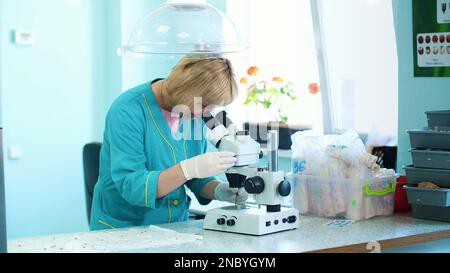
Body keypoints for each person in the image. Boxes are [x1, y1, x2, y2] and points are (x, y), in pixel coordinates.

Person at [90, 55, 248, 230]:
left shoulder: (192, 113)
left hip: (175, 227)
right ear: (186, 87)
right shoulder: (127, 110)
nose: (205, 114)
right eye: (204, 106)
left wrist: (220, 190)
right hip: (124, 227)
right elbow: (133, 186)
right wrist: (188, 168)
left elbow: (195, 178)